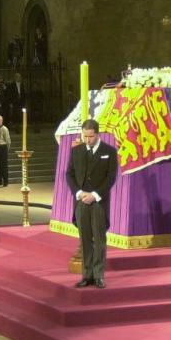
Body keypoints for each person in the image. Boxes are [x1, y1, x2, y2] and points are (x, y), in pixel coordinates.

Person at [65, 119, 118, 288]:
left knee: (99, 239)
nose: (87, 140)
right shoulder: (76, 151)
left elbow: (110, 177)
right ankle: (87, 275)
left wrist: (95, 195)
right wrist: (79, 193)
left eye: (91, 136)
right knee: (85, 239)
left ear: (97, 134)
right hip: (81, 201)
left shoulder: (109, 151)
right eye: (85, 136)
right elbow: (69, 174)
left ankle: (99, 275)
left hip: (99, 202)